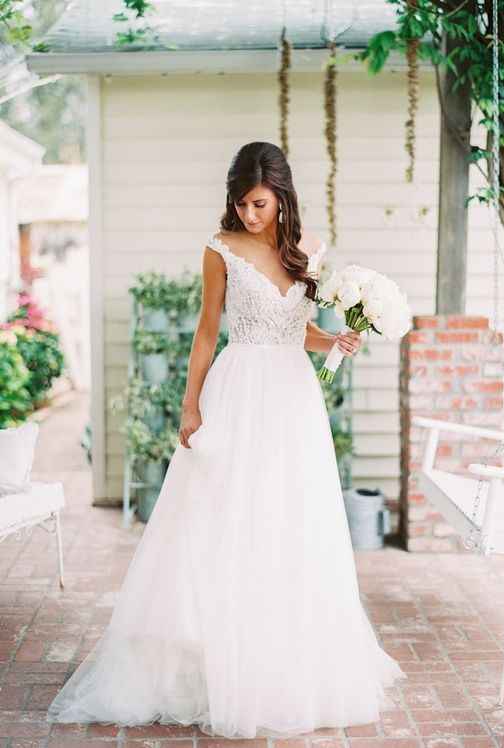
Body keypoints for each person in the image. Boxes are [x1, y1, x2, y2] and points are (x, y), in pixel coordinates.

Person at [46, 141, 407, 738]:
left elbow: (298, 330)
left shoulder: (309, 251)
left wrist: (334, 341)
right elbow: (208, 330)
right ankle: (210, 656)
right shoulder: (220, 249)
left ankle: (285, 659)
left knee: (290, 519)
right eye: (241, 203)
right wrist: (191, 404)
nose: (250, 214)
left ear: (282, 197)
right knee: (225, 516)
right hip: (238, 393)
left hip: (292, 401)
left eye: (260, 203)